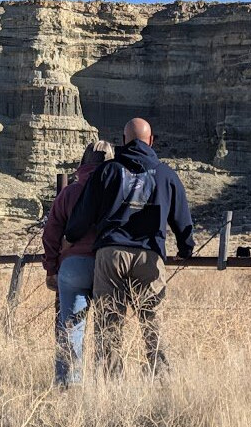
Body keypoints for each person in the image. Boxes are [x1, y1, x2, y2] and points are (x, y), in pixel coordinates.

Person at [64, 117, 194, 377]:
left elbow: (84, 214)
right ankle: (161, 376)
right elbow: (182, 218)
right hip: (150, 255)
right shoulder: (166, 174)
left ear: (123, 141)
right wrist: (185, 249)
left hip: (111, 254)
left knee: (109, 321)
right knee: (152, 320)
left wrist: (72, 234)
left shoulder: (107, 171)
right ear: (151, 140)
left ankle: (112, 382)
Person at [42, 140, 115, 386]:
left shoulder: (69, 192)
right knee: (108, 330)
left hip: (73, 266)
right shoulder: (116, 190)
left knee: (71, 330)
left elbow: (51, 233)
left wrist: (51, 269)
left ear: (83, 162)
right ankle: (106, 385)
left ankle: (68, 386)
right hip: (108, 266)